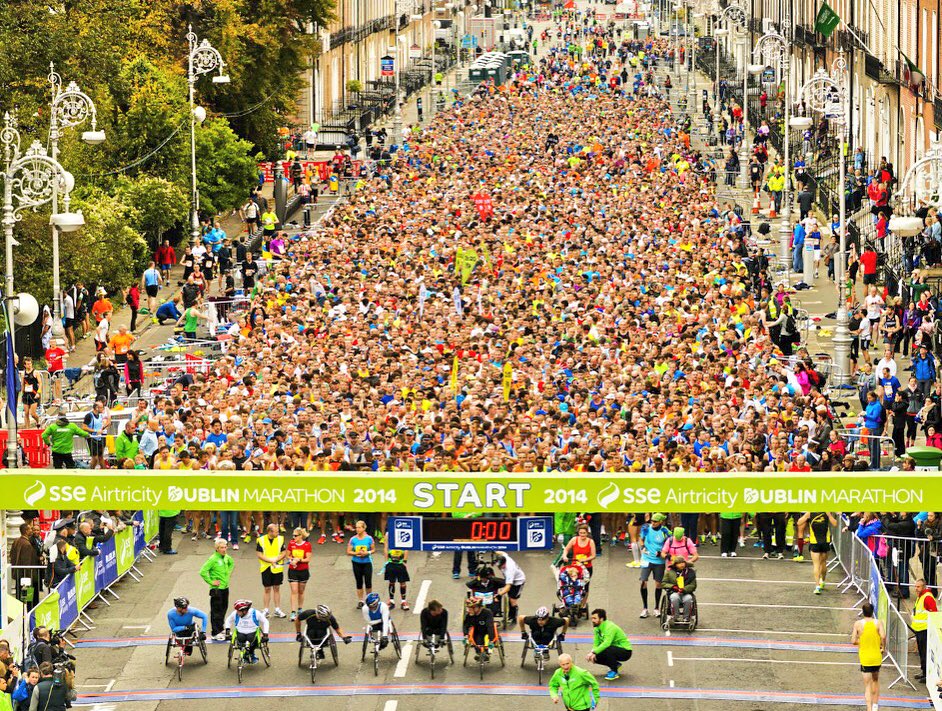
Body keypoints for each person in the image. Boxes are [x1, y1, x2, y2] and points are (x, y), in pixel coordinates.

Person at [852, 602, 886, 711]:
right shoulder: (878, 623)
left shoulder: (858, 624)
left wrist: (861, 642)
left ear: (863, 612)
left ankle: (869, 708)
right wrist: (882, 647)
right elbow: (883, 636)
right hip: (876, 657)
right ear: (872, 611)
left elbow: (853, 641)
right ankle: (875, 706)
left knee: (867, 685)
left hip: (865, 658)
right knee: (875, 680)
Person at [199, 539, 235, 640]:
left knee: (223, 608)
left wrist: (228, 574)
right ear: (217, 549)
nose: (224, 549)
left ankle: (221, 628)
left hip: (225, 587)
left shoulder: (226, 557)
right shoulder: (213, 559)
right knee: (216, 611)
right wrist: (211, 582)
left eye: (225, 547)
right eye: (221, 548)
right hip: (216, 589)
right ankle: (215, 632)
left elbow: (232, 563)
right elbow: (202, 571)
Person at [797, 512, 838, 593]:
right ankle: (822, 580)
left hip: (814, 542)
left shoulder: (810, 512)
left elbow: (799, 522)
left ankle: (817, 586)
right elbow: (835, 524)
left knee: (816, 565)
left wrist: (806, 517)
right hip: (825, 542)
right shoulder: (827, 511)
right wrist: (829, 515)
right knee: (823, 563)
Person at [587, 608, 632, 681]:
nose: (592, 620)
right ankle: (616, 665)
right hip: (613, 649)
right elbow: (596, 643)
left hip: (625, 651)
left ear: (601, 619)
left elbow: (606, 643)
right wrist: (592, 653)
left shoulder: (610, 627)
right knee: (595, 657)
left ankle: (614, 671)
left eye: (595, 618)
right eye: (592, 618)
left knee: (607, 649)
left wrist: (594, 652)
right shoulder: (597, 628)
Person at [638, 513, 669, 618]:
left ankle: (656, 608)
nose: (653, 523)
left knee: (658, 584)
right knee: (643, 582)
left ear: (661, 522)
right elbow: (641, 539)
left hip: (659, 562)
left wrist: (662, 553)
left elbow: (670, 543)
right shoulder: (646, 528)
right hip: (646, 559)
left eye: (655, 521)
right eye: (652, 521)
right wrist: (642, 547)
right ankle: (645, 608)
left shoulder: (665, 531)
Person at [256, 523, 287, 618]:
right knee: (267, 589)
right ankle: (266, 610)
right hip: (266, 568)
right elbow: (259, 554)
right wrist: (271, 561)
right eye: (276, 531)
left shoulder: (281, 539)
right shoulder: (260, 540)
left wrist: (276, 560)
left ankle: (277, 609)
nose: (278, 533)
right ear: (270, 532)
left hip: (277, 568)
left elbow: (283, 552)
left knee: (277, 588)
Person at [225, 599, 269, 665]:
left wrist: (265, 634)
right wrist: (227, 632)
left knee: (252, 641)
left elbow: (265, 622)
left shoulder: (255, 613)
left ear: (244, 611)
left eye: (238, 611)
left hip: (252, 633)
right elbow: (228, 620)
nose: (237, 612)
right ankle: (245, 655)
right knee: (240, 641)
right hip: (240, 632)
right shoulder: (235, 614)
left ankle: (251, 653)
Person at [912, 578, 938, 682]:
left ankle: (926, 674)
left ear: (923, 587)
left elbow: (934, 613)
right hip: (920, 629)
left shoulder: (927, 598)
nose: (916, 589)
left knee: (925, 653)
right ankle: (923, 672)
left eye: (918, 587)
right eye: (915, 587)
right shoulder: (921, 597)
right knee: (922, 652)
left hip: (925, 629)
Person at [347, 519, 375, 608]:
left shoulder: (369, 538)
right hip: (356, 562)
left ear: (364, 528)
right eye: (356, 528)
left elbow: (373, 549)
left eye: (359, 528)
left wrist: (368, 553)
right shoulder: (353, 539)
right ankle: (360, 600)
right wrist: (357, 553)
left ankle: (369, 599)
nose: (357, 529)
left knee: (368, 581)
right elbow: (348, 551)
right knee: (359, 582)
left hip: (367, 562)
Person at [287, 527, 312, 622]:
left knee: (301, 591)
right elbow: (287, 555)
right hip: (293, 570)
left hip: (303, 571)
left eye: (295, 535)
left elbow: (308, 559)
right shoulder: (291, 544)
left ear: (301, 536)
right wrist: (291, 560)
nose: (293, 537)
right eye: (293, 535)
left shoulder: (307, 545)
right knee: (294, 591)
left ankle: (300, 609)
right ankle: (293, 612)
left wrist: (299, 560)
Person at [661, 555, 697, 622]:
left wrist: (684, 589)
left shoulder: (690, 572)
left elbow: (693, 585)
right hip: (674, 592)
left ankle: (686, 617)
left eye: (683, 562)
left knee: (688, 598)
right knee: (674, 598)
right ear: (675, 565)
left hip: (686, 592)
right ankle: (675, 616)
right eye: (679, 563)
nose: (682, 564)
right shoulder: (669, 573)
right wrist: (673, 586)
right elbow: (663, 583)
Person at [496, 552, 526, 621]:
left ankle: (513, 616)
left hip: (518, 582)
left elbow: (508, 587)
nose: (500, 568)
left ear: (505, 563)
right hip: (510, 580)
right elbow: (502, 552)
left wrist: (499, 595)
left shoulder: (509, 570)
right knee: (509, 597)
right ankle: (509, 614)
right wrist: (493, 549)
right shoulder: (504, 557)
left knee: (512, 600)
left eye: (501, 566)